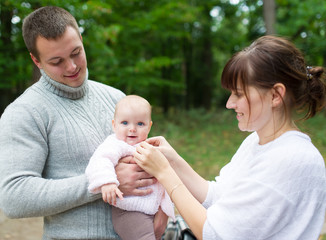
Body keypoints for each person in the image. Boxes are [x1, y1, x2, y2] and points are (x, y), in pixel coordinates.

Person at [133, 35, 326, 240]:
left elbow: (214, 233)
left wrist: (164, 173)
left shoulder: (291, 159)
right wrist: (173, 162)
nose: (229, 103)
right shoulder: (256, 141)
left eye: (239, 94)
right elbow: (219, 196)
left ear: (275, 95)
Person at [0, 6, 167, 240]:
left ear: (81, 39)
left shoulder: (116, 98)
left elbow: (147, 162)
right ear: (36, 60)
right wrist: (103, 182)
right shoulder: (24, 112)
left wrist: (163, 211)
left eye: (76, 52)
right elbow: (14, 197)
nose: (72, 67)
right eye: (56, 61)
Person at [85, 95, 175, 240]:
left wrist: (165, 207)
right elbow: (100, 161)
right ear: (114, 125)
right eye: (125, 123)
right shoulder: (115, 144)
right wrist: (107, 182)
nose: (132, 129)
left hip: (152, 209)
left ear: (149, 126)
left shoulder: (150, 146)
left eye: (140, 124)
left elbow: (165, 174)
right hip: (129, 211)